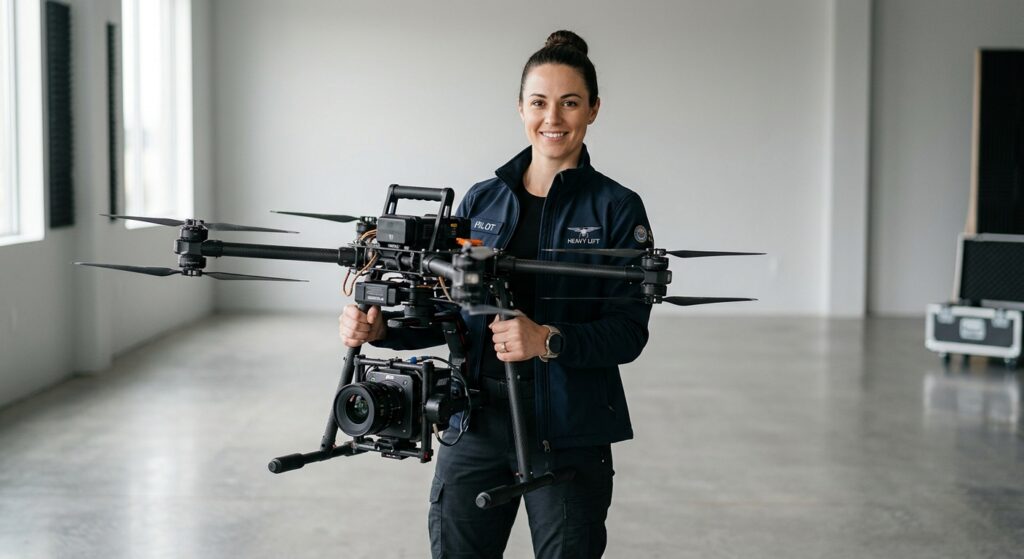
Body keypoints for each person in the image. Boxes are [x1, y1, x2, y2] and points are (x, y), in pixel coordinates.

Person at [339, 30, 653, 559]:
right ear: (521, 108)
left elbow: (628, 332)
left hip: (568, 428)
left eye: (570, 102)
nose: (552, 118)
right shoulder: (483, 201)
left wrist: (547, 339)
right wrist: (382, 328)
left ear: (593, 109)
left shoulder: (617, 208)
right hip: (475, 420)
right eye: (539, 102)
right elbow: (450, 312)